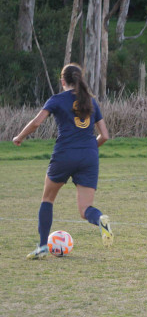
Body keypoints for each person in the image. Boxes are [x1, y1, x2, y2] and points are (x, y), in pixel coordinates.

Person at [13, 63, 114, 259]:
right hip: (89, 156)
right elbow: (105, 136)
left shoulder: (56, 100)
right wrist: (89, 149)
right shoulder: (91, 102)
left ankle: (42, 247)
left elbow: (36, 122)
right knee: (86, 210)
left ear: (63, 81)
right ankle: (100, 218)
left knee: (48, 198)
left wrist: (19, 137)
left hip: (64, 154)